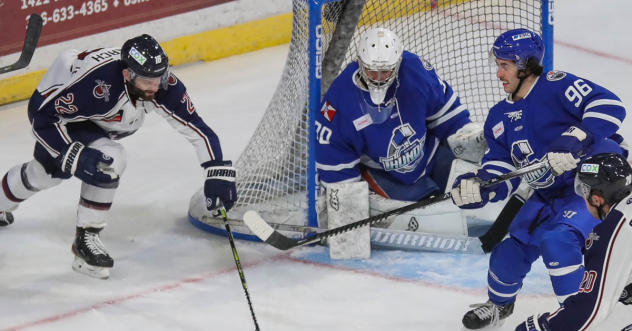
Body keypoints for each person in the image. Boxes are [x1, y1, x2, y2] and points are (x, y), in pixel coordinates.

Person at [0, 35, 237, 279]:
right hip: (66, 115)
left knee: (103, 161)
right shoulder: (94, 84)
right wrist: (73, 155)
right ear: (127, 75)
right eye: (147, 81)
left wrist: (216, 170)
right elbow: (42, 117)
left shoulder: (163, 85)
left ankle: (86, 239)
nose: (155, 87)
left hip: (102, 120)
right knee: (45, 175)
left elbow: (197, 129)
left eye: (160, 77)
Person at [450, 28, 628, 329]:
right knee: (509, 252)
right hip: (548, 194)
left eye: (505, 65)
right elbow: (500, 166)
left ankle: (580, 319)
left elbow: (610, 106)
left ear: (525, 66)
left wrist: (577, 137)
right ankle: (499, 306)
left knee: (557, 242)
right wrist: (481, 186)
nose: (498, 73)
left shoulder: (555, 86)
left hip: (592, 188)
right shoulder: (498, 116)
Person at [315, 27, 485, 207]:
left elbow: (447, 116)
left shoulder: (417, 73)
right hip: (383, 174)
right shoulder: (340, 99)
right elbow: (333, 156)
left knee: (477, 189)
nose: (378, 78)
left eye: (386, 71)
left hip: (431, 156)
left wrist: (466, 136)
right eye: (372, 70)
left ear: (397, 64)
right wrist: (348, 206)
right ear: (360, 63)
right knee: (427, 216)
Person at [515, 153, 632, 331]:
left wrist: (541, 327)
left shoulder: (617, 227)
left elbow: (590, 311)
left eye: (584, 192)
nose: (583, 198)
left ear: (597, 198)